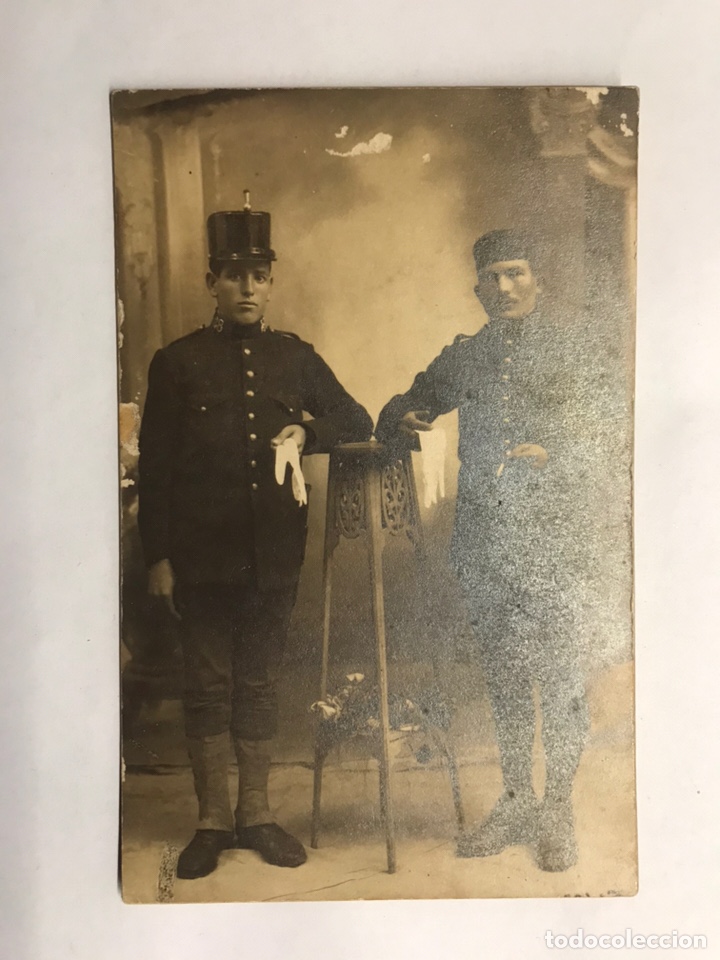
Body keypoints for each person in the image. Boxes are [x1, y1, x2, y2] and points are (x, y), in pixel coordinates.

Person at [137, 198, 373, 880]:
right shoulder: (176, 362)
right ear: (211, 281)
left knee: (261, 684)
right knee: (208, 685)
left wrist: (308, 430)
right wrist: (158, 556)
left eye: (259, 276)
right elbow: (155, 468)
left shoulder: (294, 358)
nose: (248, 288)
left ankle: (258, 815)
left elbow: (354, 417)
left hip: (271, 555)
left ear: (271, 284)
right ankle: (212, 822)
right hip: (199, 558)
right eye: (235, 275)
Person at [376, 229, 605, 872]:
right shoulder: (468, 356)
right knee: (504, 676)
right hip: (486, 543)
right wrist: (402, 417)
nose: (504, 288)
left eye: (516, 273)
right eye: (493, 278)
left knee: (558, 679)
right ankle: (515, 801)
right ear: (478, 288)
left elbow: (610, 436)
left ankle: (556, 810)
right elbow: (407, 401)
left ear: (538, 279)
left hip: (554, 542)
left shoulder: (572, 350)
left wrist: (555, 454)